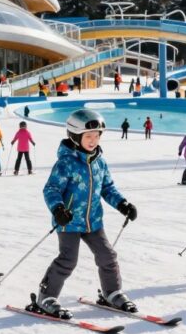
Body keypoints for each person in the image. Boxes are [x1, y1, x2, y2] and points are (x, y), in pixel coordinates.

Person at [29, 109, 139, 319]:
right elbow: (51, 190)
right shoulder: (66, 162)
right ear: (75, 135)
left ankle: (112, 292)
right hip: (68, 221)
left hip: (93, 221)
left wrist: (122, 204)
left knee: (108, 256)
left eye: (97, 136)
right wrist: (58, 209)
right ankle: (46, 296)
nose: (93, 140)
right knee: (68, 260)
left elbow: (108, 188)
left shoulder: (99, 161)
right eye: (88, 136)